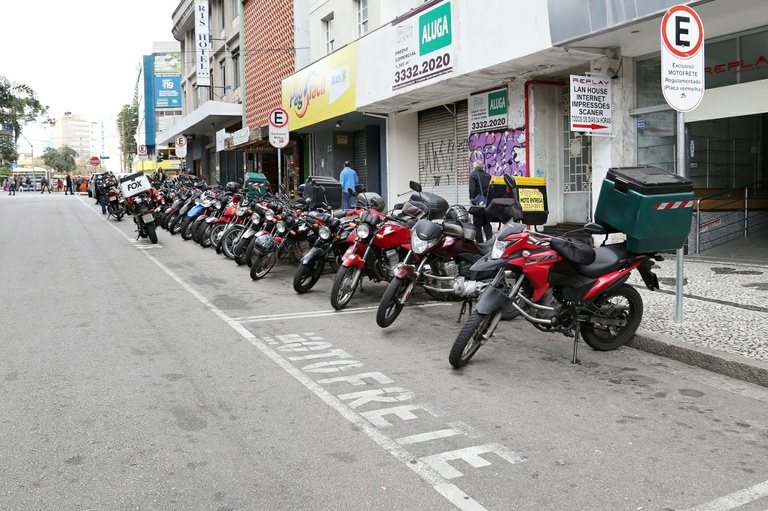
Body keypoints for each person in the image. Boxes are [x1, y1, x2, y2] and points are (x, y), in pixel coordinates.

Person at [469, 160, 493, 243]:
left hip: (478, 203)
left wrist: (472, 199)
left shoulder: (473, 175)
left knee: (477, 224)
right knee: (486, 223)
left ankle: (480, 243)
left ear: (475, 167)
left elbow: (472, 190)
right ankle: (490, 241)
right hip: (487, 203)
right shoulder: (488, 176)